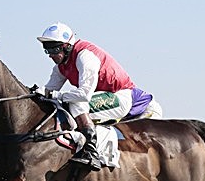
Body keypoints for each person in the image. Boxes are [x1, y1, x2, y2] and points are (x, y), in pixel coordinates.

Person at [36, 22, 161, 171]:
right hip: (106, 96)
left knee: (75, 103)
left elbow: (84, 94)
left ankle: (90, 151)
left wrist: (56, 95)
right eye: (46, 50)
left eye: (54, 49)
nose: (50, 54)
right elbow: (48, 90)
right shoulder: (60, 66)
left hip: (122, 96)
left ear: (67, 46)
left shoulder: (84, 56)